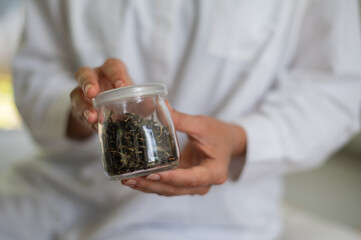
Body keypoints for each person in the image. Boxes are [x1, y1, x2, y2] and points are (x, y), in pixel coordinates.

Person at [2, 0, 361, 239]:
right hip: (56, 195)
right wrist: (87, 111)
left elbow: (337, 87)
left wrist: (237, 140)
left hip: (210, 218)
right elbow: (37, 69)